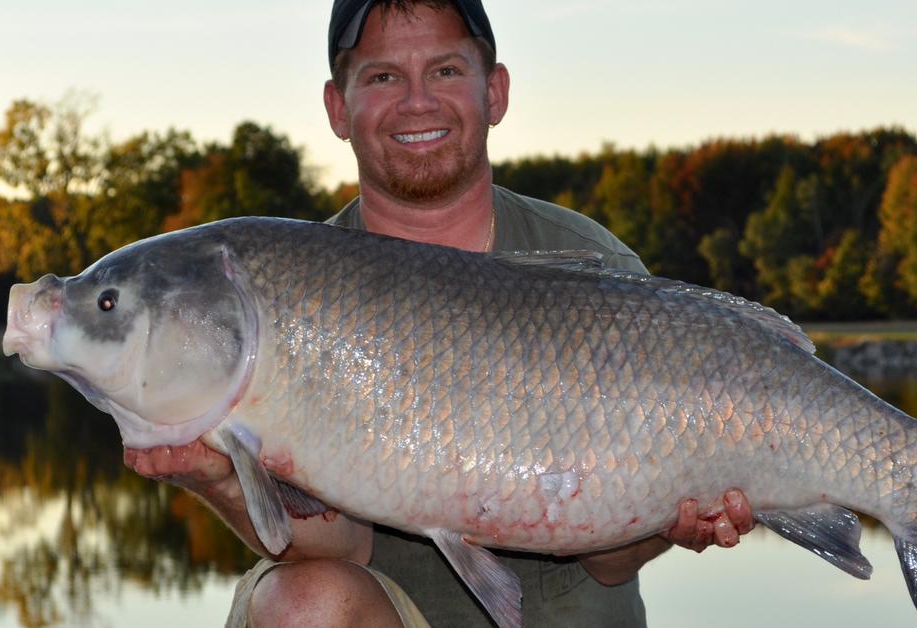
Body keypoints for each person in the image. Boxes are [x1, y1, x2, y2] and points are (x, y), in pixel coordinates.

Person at [124, 1, 756, 625]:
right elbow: (343, 545)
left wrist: (675, 520)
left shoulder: (594, 268)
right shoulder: (292, 297)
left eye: (446, 70)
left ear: (496, 92)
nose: (417, 101)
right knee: (302, 604)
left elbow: (612, 564)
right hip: (386, 617)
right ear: (338, 108)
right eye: (382, 76)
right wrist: (222, 480)